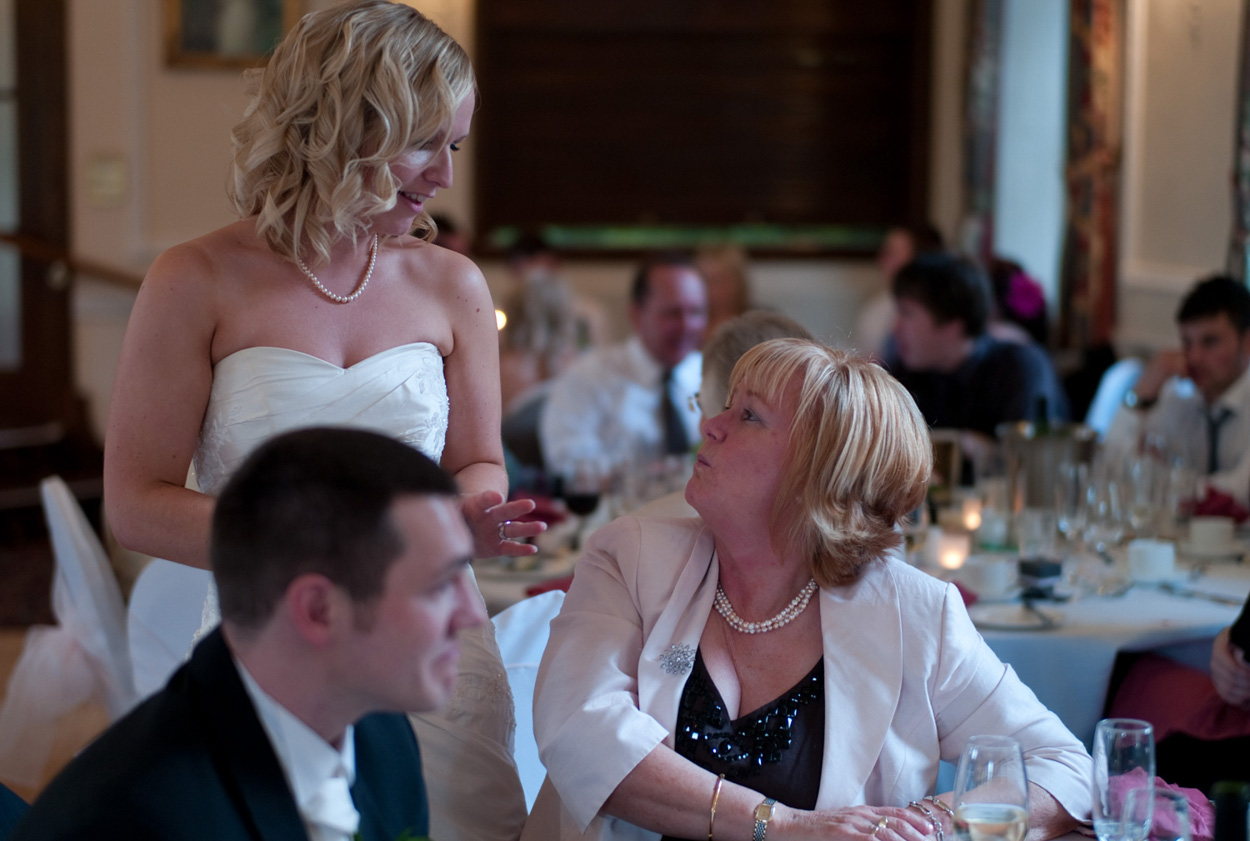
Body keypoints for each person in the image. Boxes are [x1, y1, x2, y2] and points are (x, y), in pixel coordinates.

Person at [101, 4, 532, 838]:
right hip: (269, 637)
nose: (445, 176)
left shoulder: (453, 286)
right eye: (426, 143)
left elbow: (479, 459)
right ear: (347, 128)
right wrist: (325, 547)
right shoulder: (194, 279)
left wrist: (469, 510)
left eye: (457, 146)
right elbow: (136, 502)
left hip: (430, 643)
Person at [522, 339, 1092, 841]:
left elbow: (1062, 765)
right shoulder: (632, 556)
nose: (709, 426)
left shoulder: (915, 614)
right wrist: (785, 826)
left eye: (748, 415)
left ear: (820, 474)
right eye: (726, 406)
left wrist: (922, 827)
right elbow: (581, 730)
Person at [12, 427, 485, 840]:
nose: (472, 616)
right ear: (319, 609)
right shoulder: (134, 818)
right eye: (439, 586)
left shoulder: (383, 738)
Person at [887, 252, 1068, 474]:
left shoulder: (1020, 368)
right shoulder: (908, 373)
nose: (895, 328)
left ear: (953, 322)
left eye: (907, 313)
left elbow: (1032, 466)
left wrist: (986, 452)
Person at [540, 251, 707, 478]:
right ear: (636, 314)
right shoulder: (587, 377)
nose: (687, 326)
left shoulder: (710, 376)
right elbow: (566, 461)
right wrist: (645, 475)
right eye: (672, 313)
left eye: (696, 312)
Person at [1104, 275, 1250, 497]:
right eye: (1187, 343)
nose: (1193, 358)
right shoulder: (1178, 398)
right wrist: (1143, 392)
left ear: (1247, 343)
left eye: (1210, 342)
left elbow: (1242, 489)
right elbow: (1111, 470)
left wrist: (1166, 485)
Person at [854, 222, 945, 360]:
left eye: (891, 253)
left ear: (920, 259)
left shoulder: (941, 312)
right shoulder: (877, 309)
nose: (881, 259)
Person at [695, 243, 752, 339]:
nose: (711, 289)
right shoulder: (689, 323)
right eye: (705, 280)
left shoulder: (759, 322)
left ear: (738, 281)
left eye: (719, 280)